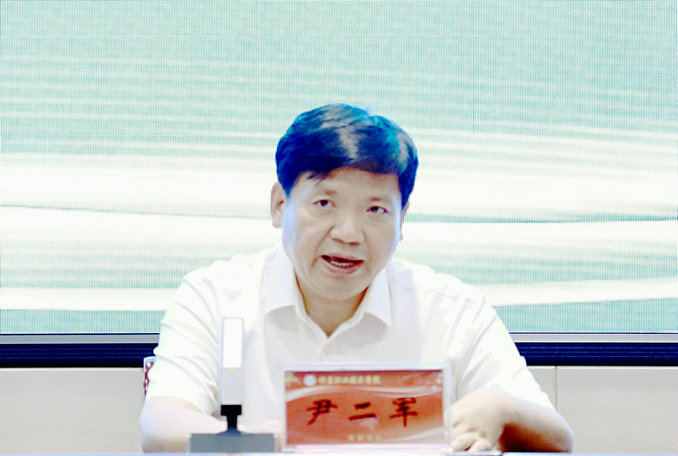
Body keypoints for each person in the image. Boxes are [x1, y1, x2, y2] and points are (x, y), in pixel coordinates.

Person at [139, 104, 573, 452]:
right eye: (324, 204)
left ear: (402, 219)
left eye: (375, 210)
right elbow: (161, 426)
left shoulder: (451, 309)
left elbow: (559, 440)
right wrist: (265, 442)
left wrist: (502, 409)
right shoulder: (215, 295)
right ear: (279, 205)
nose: (348, 233)